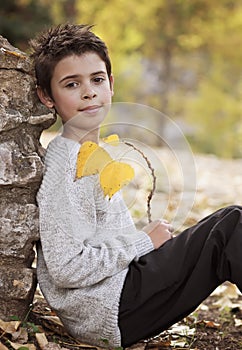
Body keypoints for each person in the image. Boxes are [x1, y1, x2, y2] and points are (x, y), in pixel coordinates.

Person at [30, 23, 242, 349]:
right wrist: (142, 242)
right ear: (47, 96)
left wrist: (145, 243)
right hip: (112, 307)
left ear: (111, 85)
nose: (89, 92)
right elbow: (66, 268)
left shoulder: (90, 154)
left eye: (97, 80)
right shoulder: (68, 165)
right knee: (231, 227)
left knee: (228, 230)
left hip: (120, 295)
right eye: (72, 84)